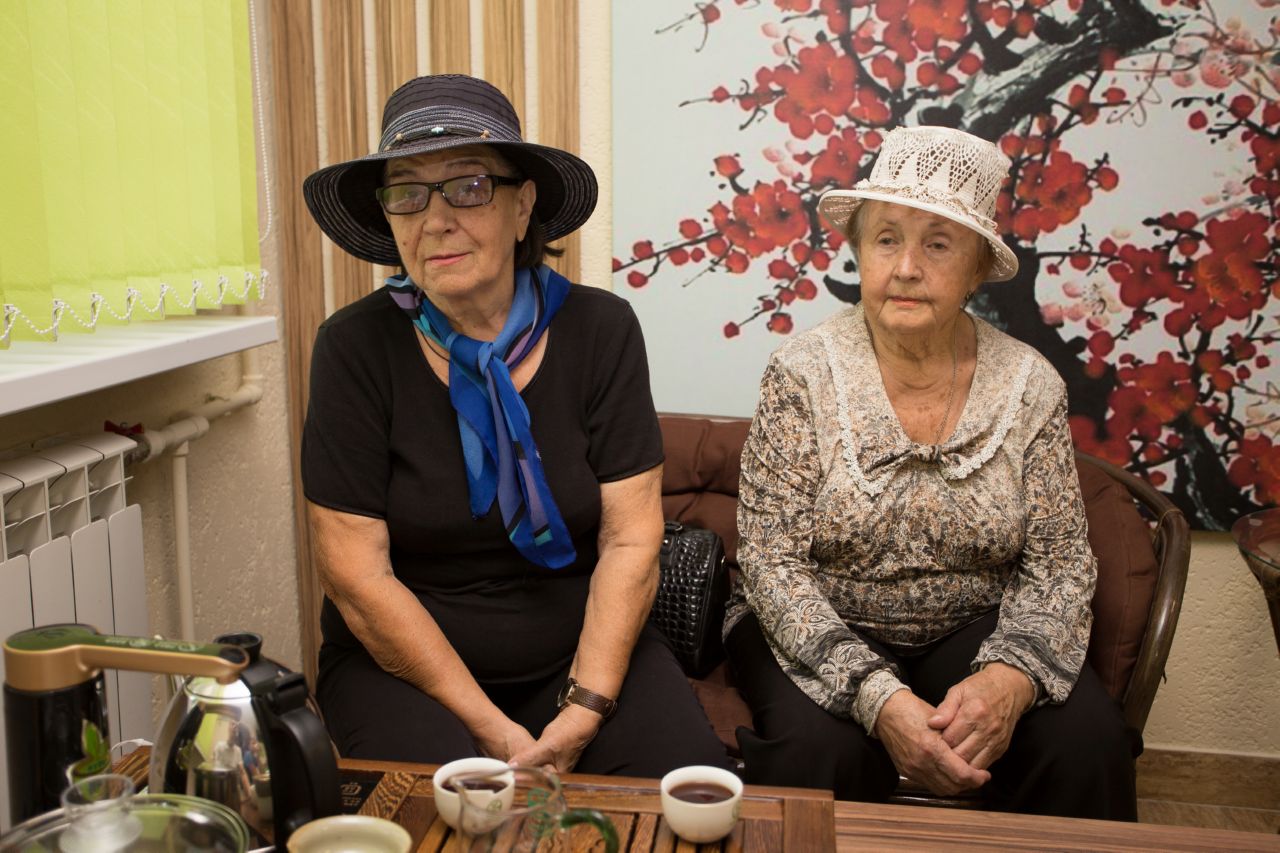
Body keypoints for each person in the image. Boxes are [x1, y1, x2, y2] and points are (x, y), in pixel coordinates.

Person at [299, 74, 728, 777]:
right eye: (407, 193)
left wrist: (584, 708)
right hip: (406, 669)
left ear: (523, 205)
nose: (435, 219)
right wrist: (493, 731)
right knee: (451, 809)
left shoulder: (601, 330)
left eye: (468, 186)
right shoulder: (353, 348)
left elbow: (630, 540)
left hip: (580, 656)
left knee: (684, 785)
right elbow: (357, 578)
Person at [724, 126, 1138, 819]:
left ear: (977, 269)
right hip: (819, 619)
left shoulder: (1030, 382)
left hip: (974, 624)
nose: (907, 267)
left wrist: (1010, 678)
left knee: (1086, 746)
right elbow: (772, 562)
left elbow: (1061, 565)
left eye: (938, 244)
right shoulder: (801, 372)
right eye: (886, 239)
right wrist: (878, 698)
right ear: (859, 251)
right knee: (816, 755)